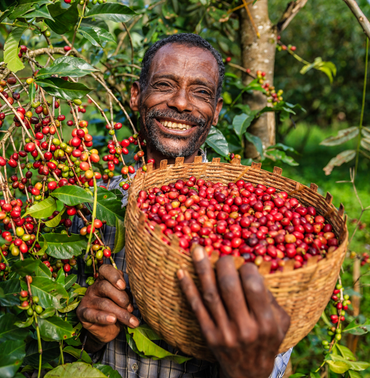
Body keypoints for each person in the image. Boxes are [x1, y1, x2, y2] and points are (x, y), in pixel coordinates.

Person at [75, 33, 292, 378]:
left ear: (217, 112)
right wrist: (89, 337)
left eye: (201, 92)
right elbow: (58, 342)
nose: (180, 102)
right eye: (164, 85)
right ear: (136, 95)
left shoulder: (250, 218)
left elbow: (277, 358)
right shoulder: (92, 209)